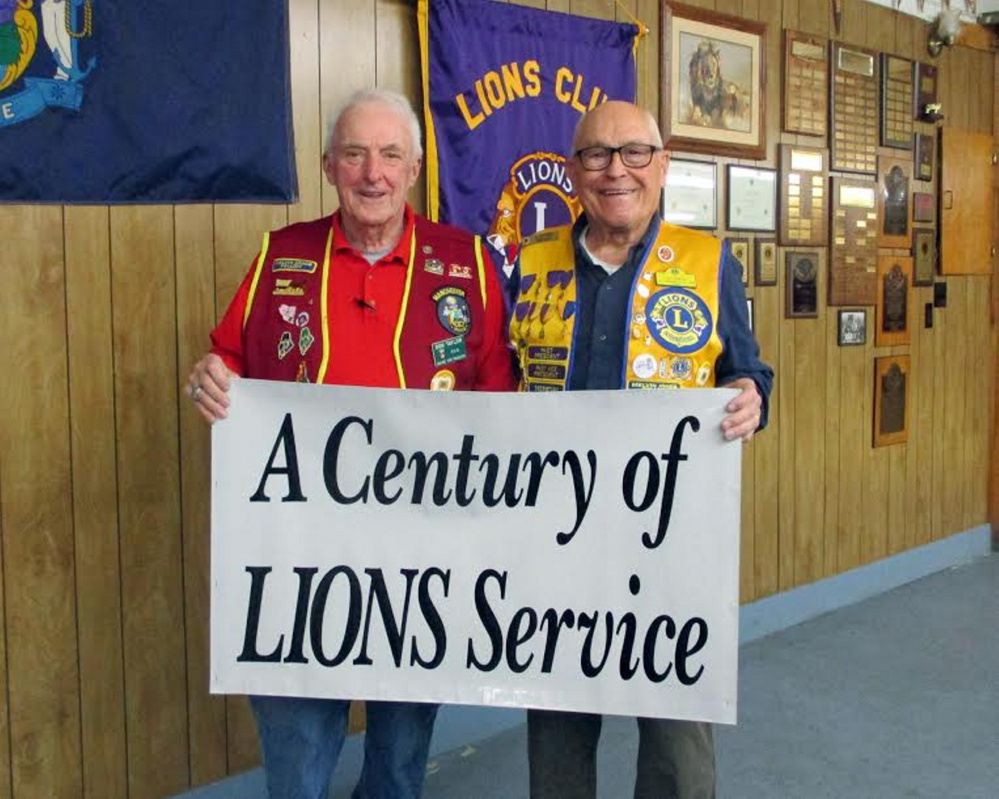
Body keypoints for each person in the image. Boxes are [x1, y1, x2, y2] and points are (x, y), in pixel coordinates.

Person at [185, 88, 516, 799]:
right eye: (356, 154)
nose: (374, 172)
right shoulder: (281, 256)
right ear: (329, 165)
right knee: (298, 757)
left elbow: (501, 408)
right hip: (296, 555)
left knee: (398, 760)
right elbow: (227, 360)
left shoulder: (470, 264)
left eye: (391, 154)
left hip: (419, 560)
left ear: (415, 168)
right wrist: (211, 377)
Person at [510, 100, 773, 799]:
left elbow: (745, 369)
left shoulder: (707, 261)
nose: (615, 169)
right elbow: (494, 383)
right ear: (573, 171)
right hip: (555, 539)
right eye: (596, 154)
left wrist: (751, 394)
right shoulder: (527, 265)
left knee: (676, 738)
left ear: (661, 165)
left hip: (671, 542)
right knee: (558, 722)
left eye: (633, 152)